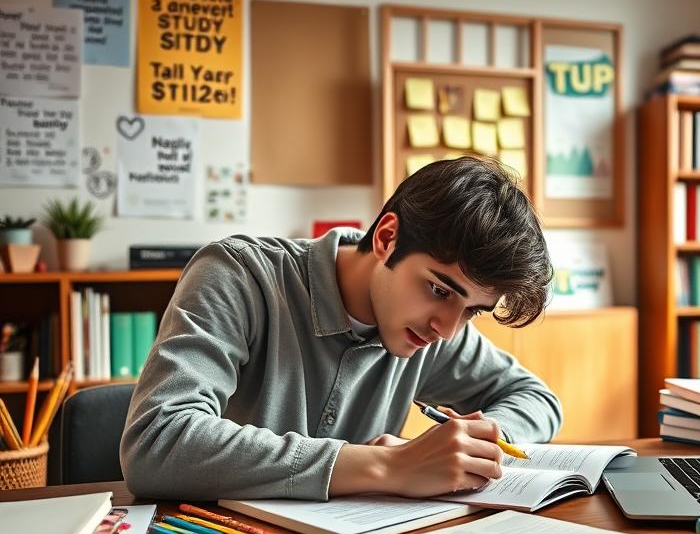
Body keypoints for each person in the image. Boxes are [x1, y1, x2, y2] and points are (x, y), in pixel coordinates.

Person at [120, 157, 562, 501]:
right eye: (438, 289)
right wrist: (385, 466)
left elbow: (538, 400)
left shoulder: (434, 327)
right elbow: (157, 442)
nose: (446, 329)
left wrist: (477, 443)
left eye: (472, 311)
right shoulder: (237, 276)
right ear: (388, 238)